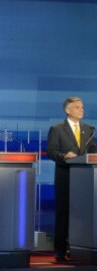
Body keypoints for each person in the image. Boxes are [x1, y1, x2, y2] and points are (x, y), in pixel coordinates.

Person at [46, 97, 96, 262]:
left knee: (82, 215)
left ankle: (78, 247)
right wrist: (64, 156)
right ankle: (60, 250)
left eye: (82, 107)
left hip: (84, 179)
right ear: (67, 110)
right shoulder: (57, 129)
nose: (81, 110)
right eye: (77, 107)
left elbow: (92, 152)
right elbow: (51, 152)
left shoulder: (89, 129)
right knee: (63, 214)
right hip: (65, 176)